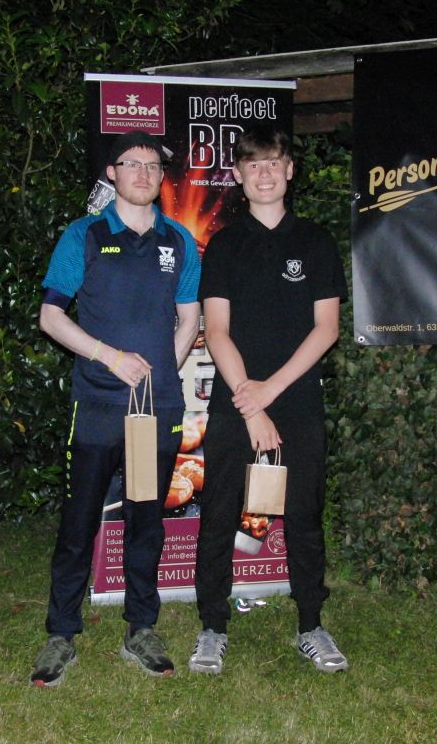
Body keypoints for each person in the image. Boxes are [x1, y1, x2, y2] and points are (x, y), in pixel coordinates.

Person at [32, 130, 201, 687]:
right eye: (132, 164)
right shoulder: (83, 235)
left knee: (145, 520)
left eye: (153, 165)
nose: (144, 174)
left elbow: (190, 318)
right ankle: (61, 633)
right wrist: (111, 358)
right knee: (79, 521)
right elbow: (51, 317)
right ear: (112, 172)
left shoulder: (178, 240)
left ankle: (141, 628)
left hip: (156, 411)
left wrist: (158, 371)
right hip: (98, 406)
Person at [189, 124, 348, 675]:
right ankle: (212, 626)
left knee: (304, 513)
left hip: (296, 400)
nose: (264, 173)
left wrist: (270, 393)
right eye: (253, 164)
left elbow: (327, 329)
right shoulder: (225, 245)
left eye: (274, 162)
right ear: (238, 174)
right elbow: (216, 330)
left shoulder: (316, 242)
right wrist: (250, 404)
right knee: (219, 513)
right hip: (236, 400)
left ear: (289, 170)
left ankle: (311, 625)